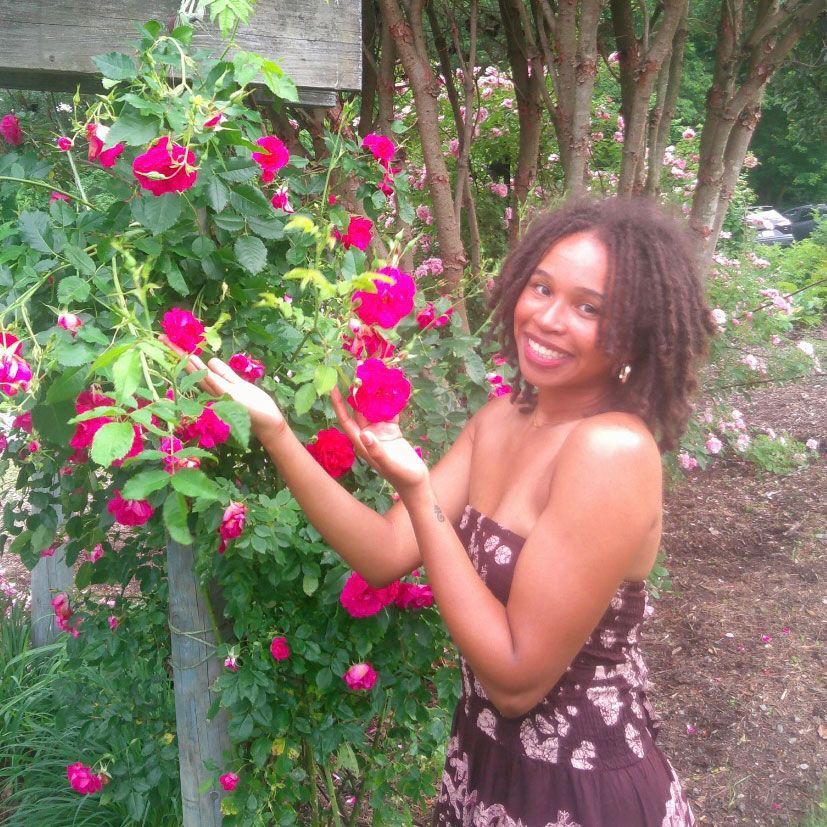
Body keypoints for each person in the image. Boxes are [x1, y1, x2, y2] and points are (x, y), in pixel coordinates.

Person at [171, 197, 715, 826]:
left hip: (579, 792)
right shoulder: (500, 421)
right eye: (540, 287)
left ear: (636, 332)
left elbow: (515, 682)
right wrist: (276, 431)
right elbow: (383, 556)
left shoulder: (611, 449)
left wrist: (419, 495)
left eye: (589, 307)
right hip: (483, 770)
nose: (547, 318)